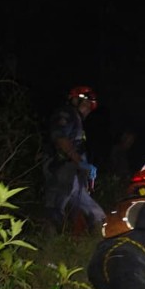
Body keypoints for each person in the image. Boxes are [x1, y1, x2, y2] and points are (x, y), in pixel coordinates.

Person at [42, 85, 107, 234]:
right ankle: (49, 237)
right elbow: (60, 138)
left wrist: (84, 166)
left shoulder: (77, 120)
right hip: (61, 166)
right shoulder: (67, 113)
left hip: (72, 169)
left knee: (82, 200)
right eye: (86, 104)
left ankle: (101, 225)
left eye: (90, 107)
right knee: (57, 202)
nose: (88, 110)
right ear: (76, 100)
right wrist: (80, 162)